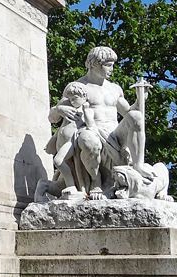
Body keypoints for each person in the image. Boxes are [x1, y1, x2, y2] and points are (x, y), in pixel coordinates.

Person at [49, 46, 152, 200]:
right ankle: (96, 181)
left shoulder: (114, 89)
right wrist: (60, 109)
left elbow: (128, 112)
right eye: (108, 65)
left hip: (113, 133)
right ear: (94, 64)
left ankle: (138, 164)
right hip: (91, 130)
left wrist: (140, 100)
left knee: (137, 116)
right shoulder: (79, 87)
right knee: (88, 140)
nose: (112, 69)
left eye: (113, 65)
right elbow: (52, 118)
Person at [45, 82, 92, 197]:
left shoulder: (86, 108)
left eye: (74, 98)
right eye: (70, 98)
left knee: (58, 161)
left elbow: (91, 126)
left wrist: (86, 112)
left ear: (84, 97)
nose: (71, 101)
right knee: (60, 162)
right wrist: (59, 108)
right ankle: (70, 186)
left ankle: (71, 185)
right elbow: (52, 118)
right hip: (62, 142)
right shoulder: (66, 105)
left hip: (72, 141)